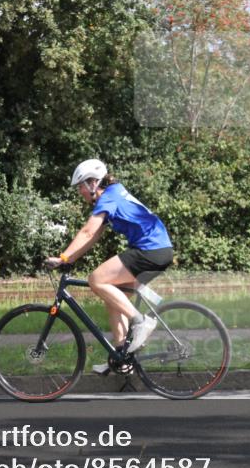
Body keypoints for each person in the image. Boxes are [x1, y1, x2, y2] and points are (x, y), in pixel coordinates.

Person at [43, 159, 174, 373]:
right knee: (112, 297)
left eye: (81, 187)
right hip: (159, 250)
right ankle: (122, 357)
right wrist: (70, 259)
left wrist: (63, 257)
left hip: (150, 249)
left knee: (96, 279)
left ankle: (141, 322)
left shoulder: (110, 197)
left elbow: (87, 232)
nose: (80, 192)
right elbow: (93, 236)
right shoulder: (114, 194)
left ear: (93, 183)